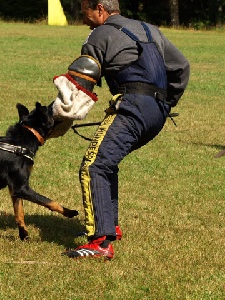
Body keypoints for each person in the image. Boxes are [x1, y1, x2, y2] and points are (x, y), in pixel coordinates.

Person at [48, 0, 190, 260]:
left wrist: (50, 120)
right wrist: (164, 104)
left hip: (133, 105)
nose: (84, 20)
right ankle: (109, 225)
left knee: (95, 165)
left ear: (100, 9)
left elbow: (77, 91)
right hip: (158, 112)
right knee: (107, 161)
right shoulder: (149, 29)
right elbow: (181, 67)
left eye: (86, 13)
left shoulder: (99, 34)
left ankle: (100, 243)